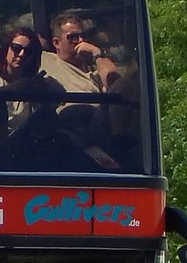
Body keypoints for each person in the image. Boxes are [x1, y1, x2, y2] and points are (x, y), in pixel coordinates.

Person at [38, 11, 128, 169]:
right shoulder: (45, 60)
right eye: (72, 37)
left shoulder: (94, 71)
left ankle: (120, 145)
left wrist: (96, 53)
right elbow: (10, 57)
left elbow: (115, 82)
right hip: (64, 131)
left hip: (96, 128)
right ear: (57, 43)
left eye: (82, 36)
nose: (79, 41)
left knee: (127, 83)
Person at [0, 26, 64, 146]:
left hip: (16, 143)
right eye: (16, 48)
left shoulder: (33, 82)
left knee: (47, 115)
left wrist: (41, 91)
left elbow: (58, 100)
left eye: (28, 51)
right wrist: (10, 90)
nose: (21, 54)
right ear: (6, 49)